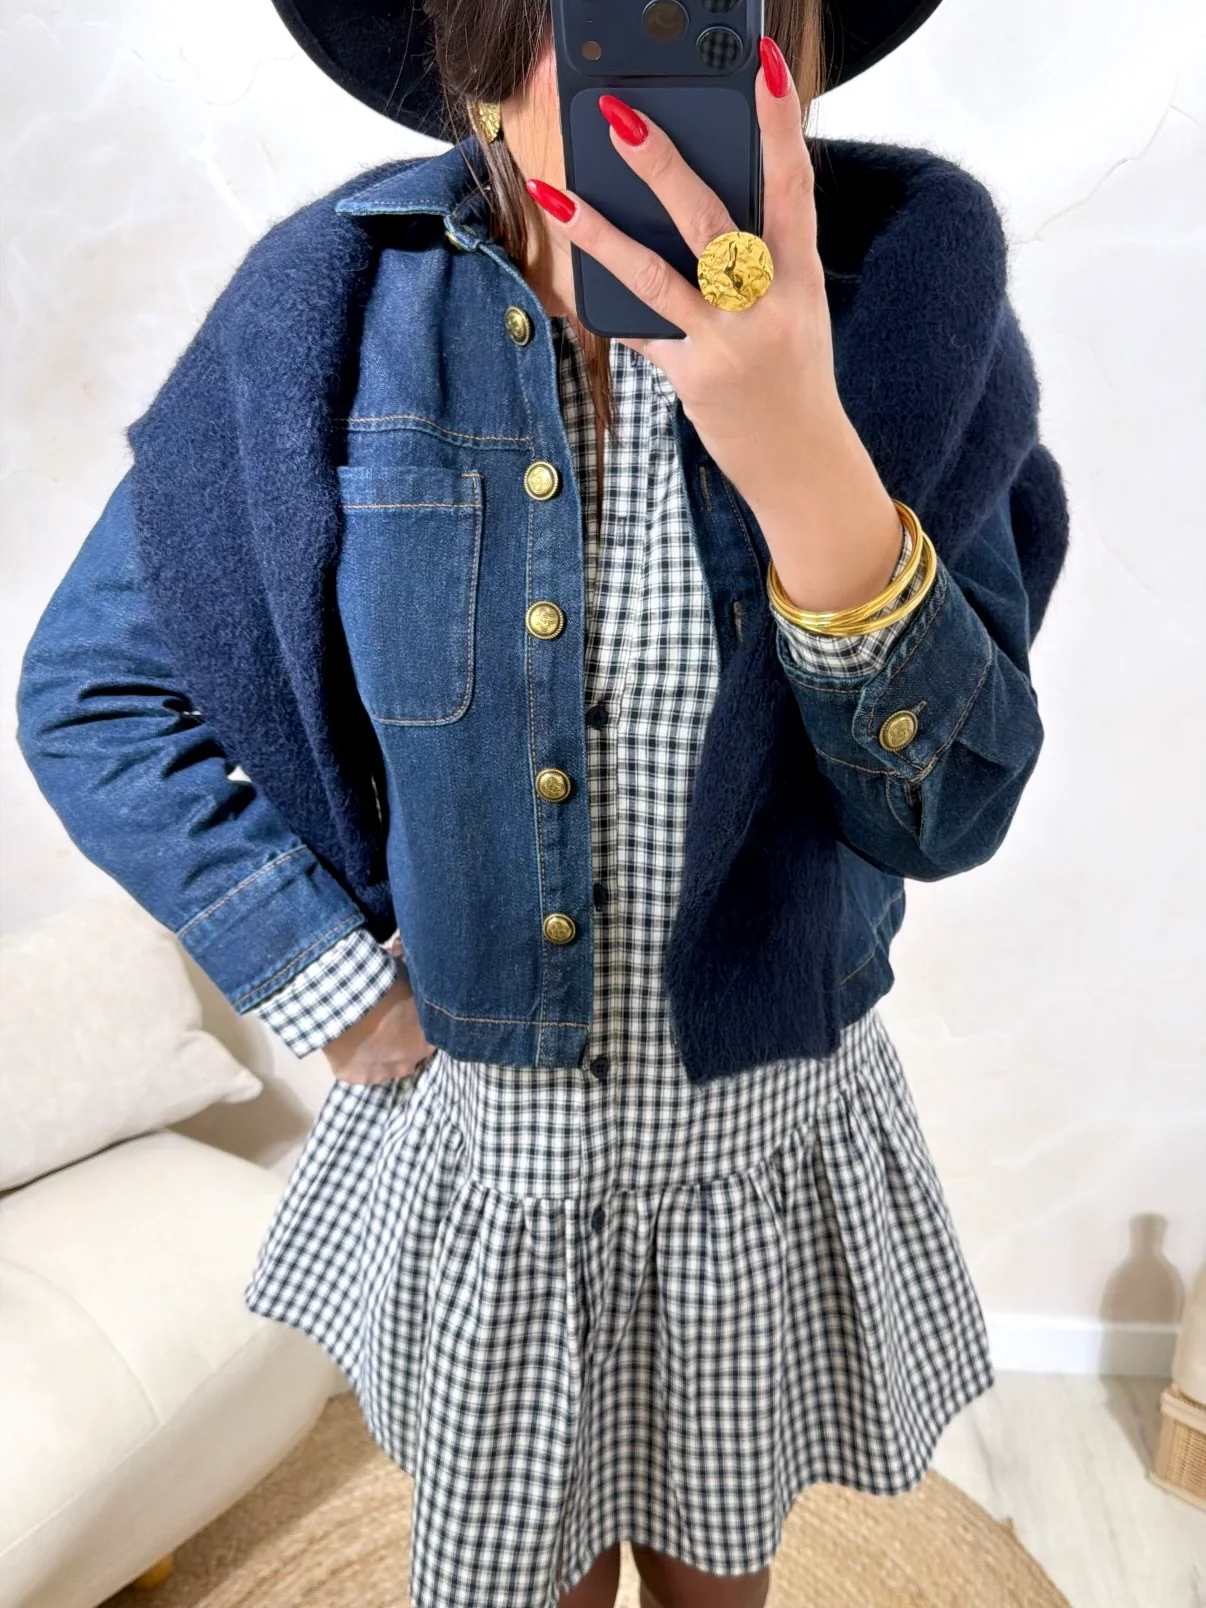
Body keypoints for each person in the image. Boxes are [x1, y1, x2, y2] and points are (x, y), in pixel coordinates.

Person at [15, 2, 1070, 1605]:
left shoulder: (913, 312)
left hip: (756, 1152)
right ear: (476, 51)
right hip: (495, 1166)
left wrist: (801, 446)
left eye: (717, 10)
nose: (652, 49)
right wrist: (327, 979)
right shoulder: (331, 314)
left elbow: (950, 811)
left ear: (795, 45)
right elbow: (94, 689)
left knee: (720, 1570)